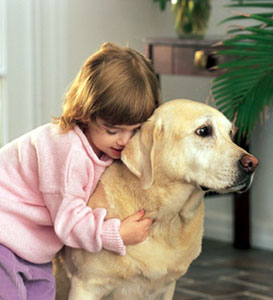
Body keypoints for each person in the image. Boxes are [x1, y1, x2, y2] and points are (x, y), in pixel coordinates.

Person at [0, 42, 161, 300]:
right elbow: (70, 220)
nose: (124, 140)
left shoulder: (105, 148)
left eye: (134, 130)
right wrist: (115, 233)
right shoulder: (68, 151)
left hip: (34, 250)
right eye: (113, 130)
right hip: (4, 237)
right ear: (86, 113)